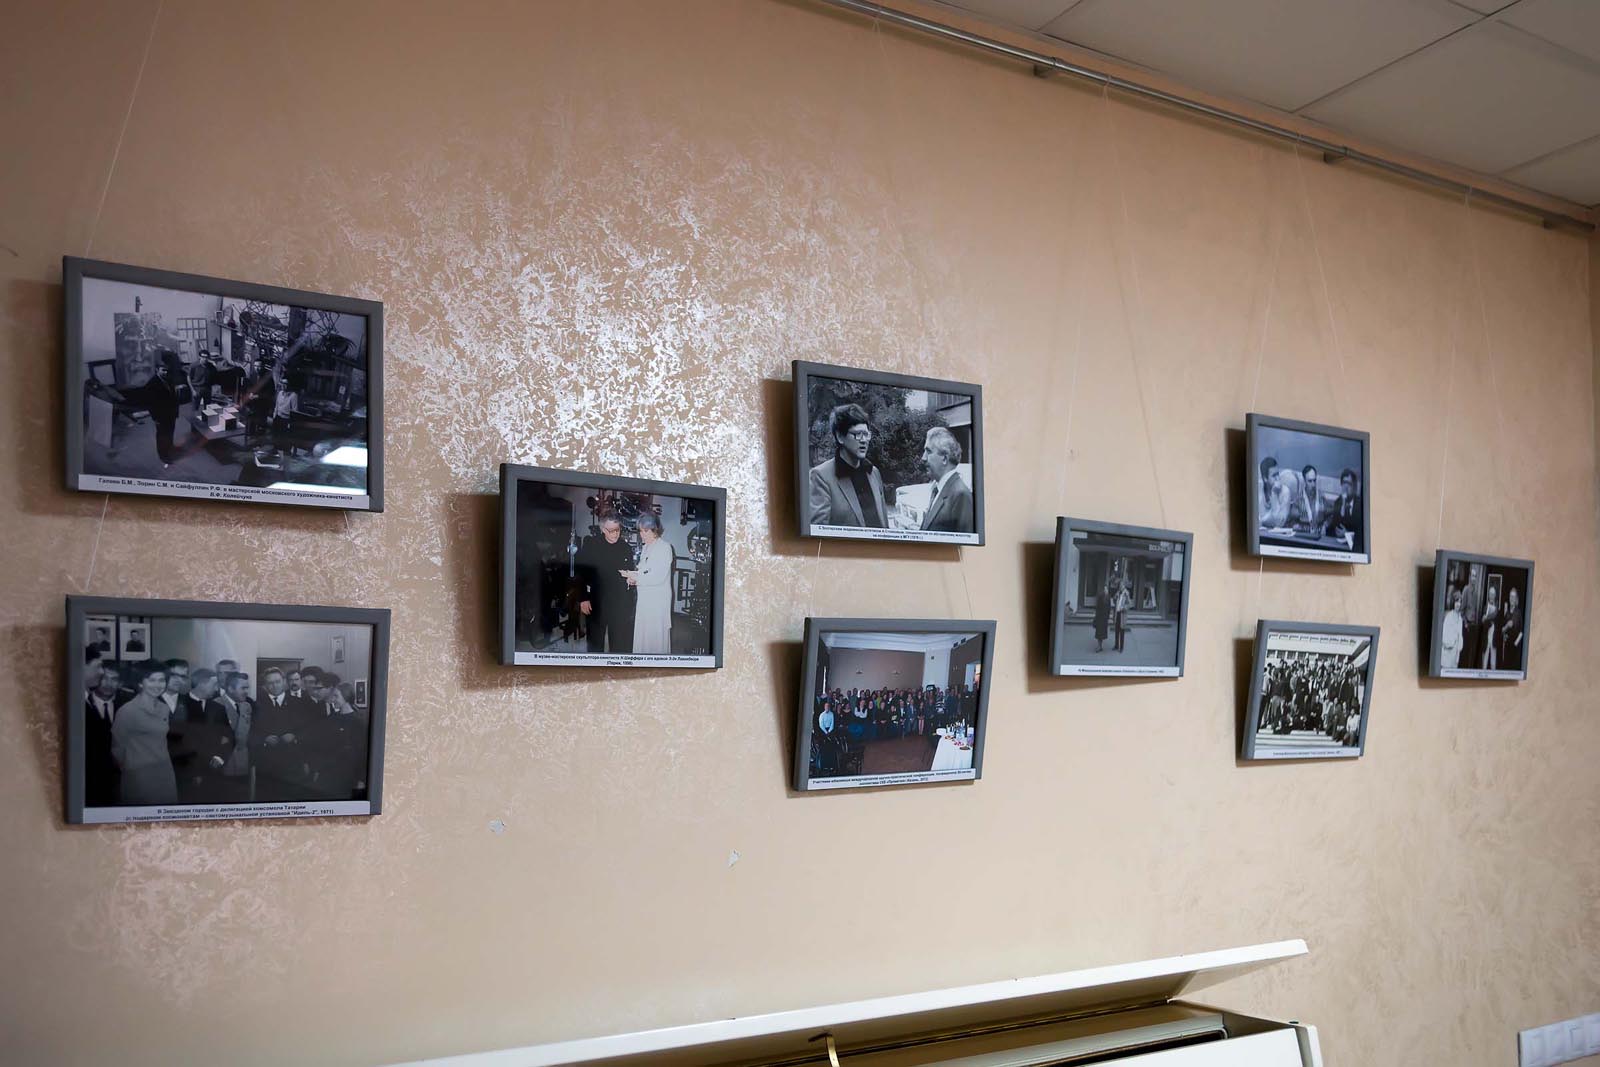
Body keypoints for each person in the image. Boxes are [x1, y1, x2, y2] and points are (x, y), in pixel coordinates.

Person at [88, 348, 187, 469]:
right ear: (157, 370)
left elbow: (170, 396)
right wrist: (156, 418)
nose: (165, 372)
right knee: (162, 437)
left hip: (170, 414)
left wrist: (175, 401)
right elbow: (151, 404)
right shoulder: (153, 384)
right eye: (163, 370)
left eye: (167, 370)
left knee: (170, 434)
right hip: (161, 417)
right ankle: (164, 456)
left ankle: (170, 448)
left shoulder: (168, 380)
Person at [809, 403, 888, 529]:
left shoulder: (874, 473)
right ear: (840, 436)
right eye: (857, 434)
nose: (864, 440)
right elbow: (819, 533)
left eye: (866, 434)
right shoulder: (821, 476)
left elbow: (884, 525)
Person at [110, 665, 177, 806]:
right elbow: (117, 748)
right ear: (140, 683)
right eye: (151, 680)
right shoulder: (127, 711)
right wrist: (132, 767)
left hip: (165, 771)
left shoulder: (164, 708)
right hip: (139, 775)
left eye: (161, 680)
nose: (157, 685)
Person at [575, 514, 636, 654]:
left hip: (619, 603)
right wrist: (583, 598)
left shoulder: (625, 547)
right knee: (595, 643)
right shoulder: (591, 545)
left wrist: (631, 579)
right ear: (603, 529)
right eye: (611, 530)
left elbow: (629, 573)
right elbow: (581, 572)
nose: (615, 534)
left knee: (620, 644)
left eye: (617, 529)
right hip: (596, 601)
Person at [624, 512, 675, 655]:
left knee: (655, 638)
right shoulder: (646, 547)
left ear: (655, 530)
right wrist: (632, 576)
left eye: (646, 531)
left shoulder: (665, 547)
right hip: (645, 600)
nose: (642, 535)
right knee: (643, 635)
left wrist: (637, 579)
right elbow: (644, 571)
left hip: (657, 602)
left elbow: (658, 577)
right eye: (641, 531)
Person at [918, 426, 975, 533]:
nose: (923, 458)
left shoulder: (961, 494)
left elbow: (966, 540)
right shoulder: (937, 489)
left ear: (944, 458)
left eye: (928, 451)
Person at [84, 652, 121, 807]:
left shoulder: (126, 705)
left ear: (120, 683)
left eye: (114, 679)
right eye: (105, 678)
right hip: (90, 782)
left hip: (120, 782)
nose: (108, 683)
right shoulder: (83, 704)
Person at [1322, 468, 1363, 550]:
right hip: (1340, 546)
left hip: (1355, 547)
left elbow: (1362, 532)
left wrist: (1347, 534)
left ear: (1354, 487)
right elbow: (1335, 526)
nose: (1346, 487)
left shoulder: (1360, 504)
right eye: (1344, 483)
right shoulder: (1338, 502)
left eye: (1349, 483)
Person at [1258, 456, 1292, 528]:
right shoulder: (1258, 488)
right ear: (1265, 478)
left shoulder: (1285, 492)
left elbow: (1279, 523)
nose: (1278, 478)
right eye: (1274, 475)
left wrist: (1274, 494)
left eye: (1278, 474)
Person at [1294, 465, 1327, 532]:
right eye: (1310, 481)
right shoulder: (1298, 498)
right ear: (1304, 481)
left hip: (1319, 533)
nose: (1313, 484)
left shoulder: (1321, 496)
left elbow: (1330, 516)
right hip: (1304, 533)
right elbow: (1293, 520)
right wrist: (1295, 526)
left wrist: (1325, 525)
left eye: (1314, 480)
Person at [1499, 586, 1525, 671]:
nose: (1511, 598)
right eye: (1510, 596)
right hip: (1507, 646)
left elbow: (1512, 625)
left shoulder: (1518, 612)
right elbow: (1502, 629)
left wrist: (1515, 643)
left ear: (1516, 599)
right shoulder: (1507, 613)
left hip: (1515, 648)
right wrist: (1504, 633)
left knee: (1512, 668)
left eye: (1513, 597)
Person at [1440, 587, 1464, 670]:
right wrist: (1452, 641)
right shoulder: (1449, 617)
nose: (1458, 604)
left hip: (1455, 655)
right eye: (1457, 601)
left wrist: (1458, 650)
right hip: (1447, 653)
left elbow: (1460, 636)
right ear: (1453, 602)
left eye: (1460, 602)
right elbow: (1444, 636)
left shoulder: (1460, 619)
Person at [1113, 581, 1132, 653]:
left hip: (1122, 615)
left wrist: (1124, 608)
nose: (1120, 587)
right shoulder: (1118, 593)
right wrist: (1115, 597)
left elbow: (1129, 604)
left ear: (1124, 586)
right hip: (1117, 614)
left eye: (1121, 585)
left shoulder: (1126, 593)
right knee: (1116, 631)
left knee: (1122, 632)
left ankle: (1121, 647)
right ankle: (1116, 646)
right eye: (1119, 585)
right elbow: (1114, 601)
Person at [1092, 584, 1111, 652]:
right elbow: (1097, 607)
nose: (1106, 590)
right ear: (1103, 590)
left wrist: (1108, 617)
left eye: (1107, 589)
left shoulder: (1108, 597)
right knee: (1099, 633)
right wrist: (1096, 616)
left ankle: (1100, 646)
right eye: (1105, 589)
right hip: (1100, 617)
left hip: (1105, 618)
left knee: (1102, 633)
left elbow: (1109, 608)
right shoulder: (1100, 596)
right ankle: (1099, 646)